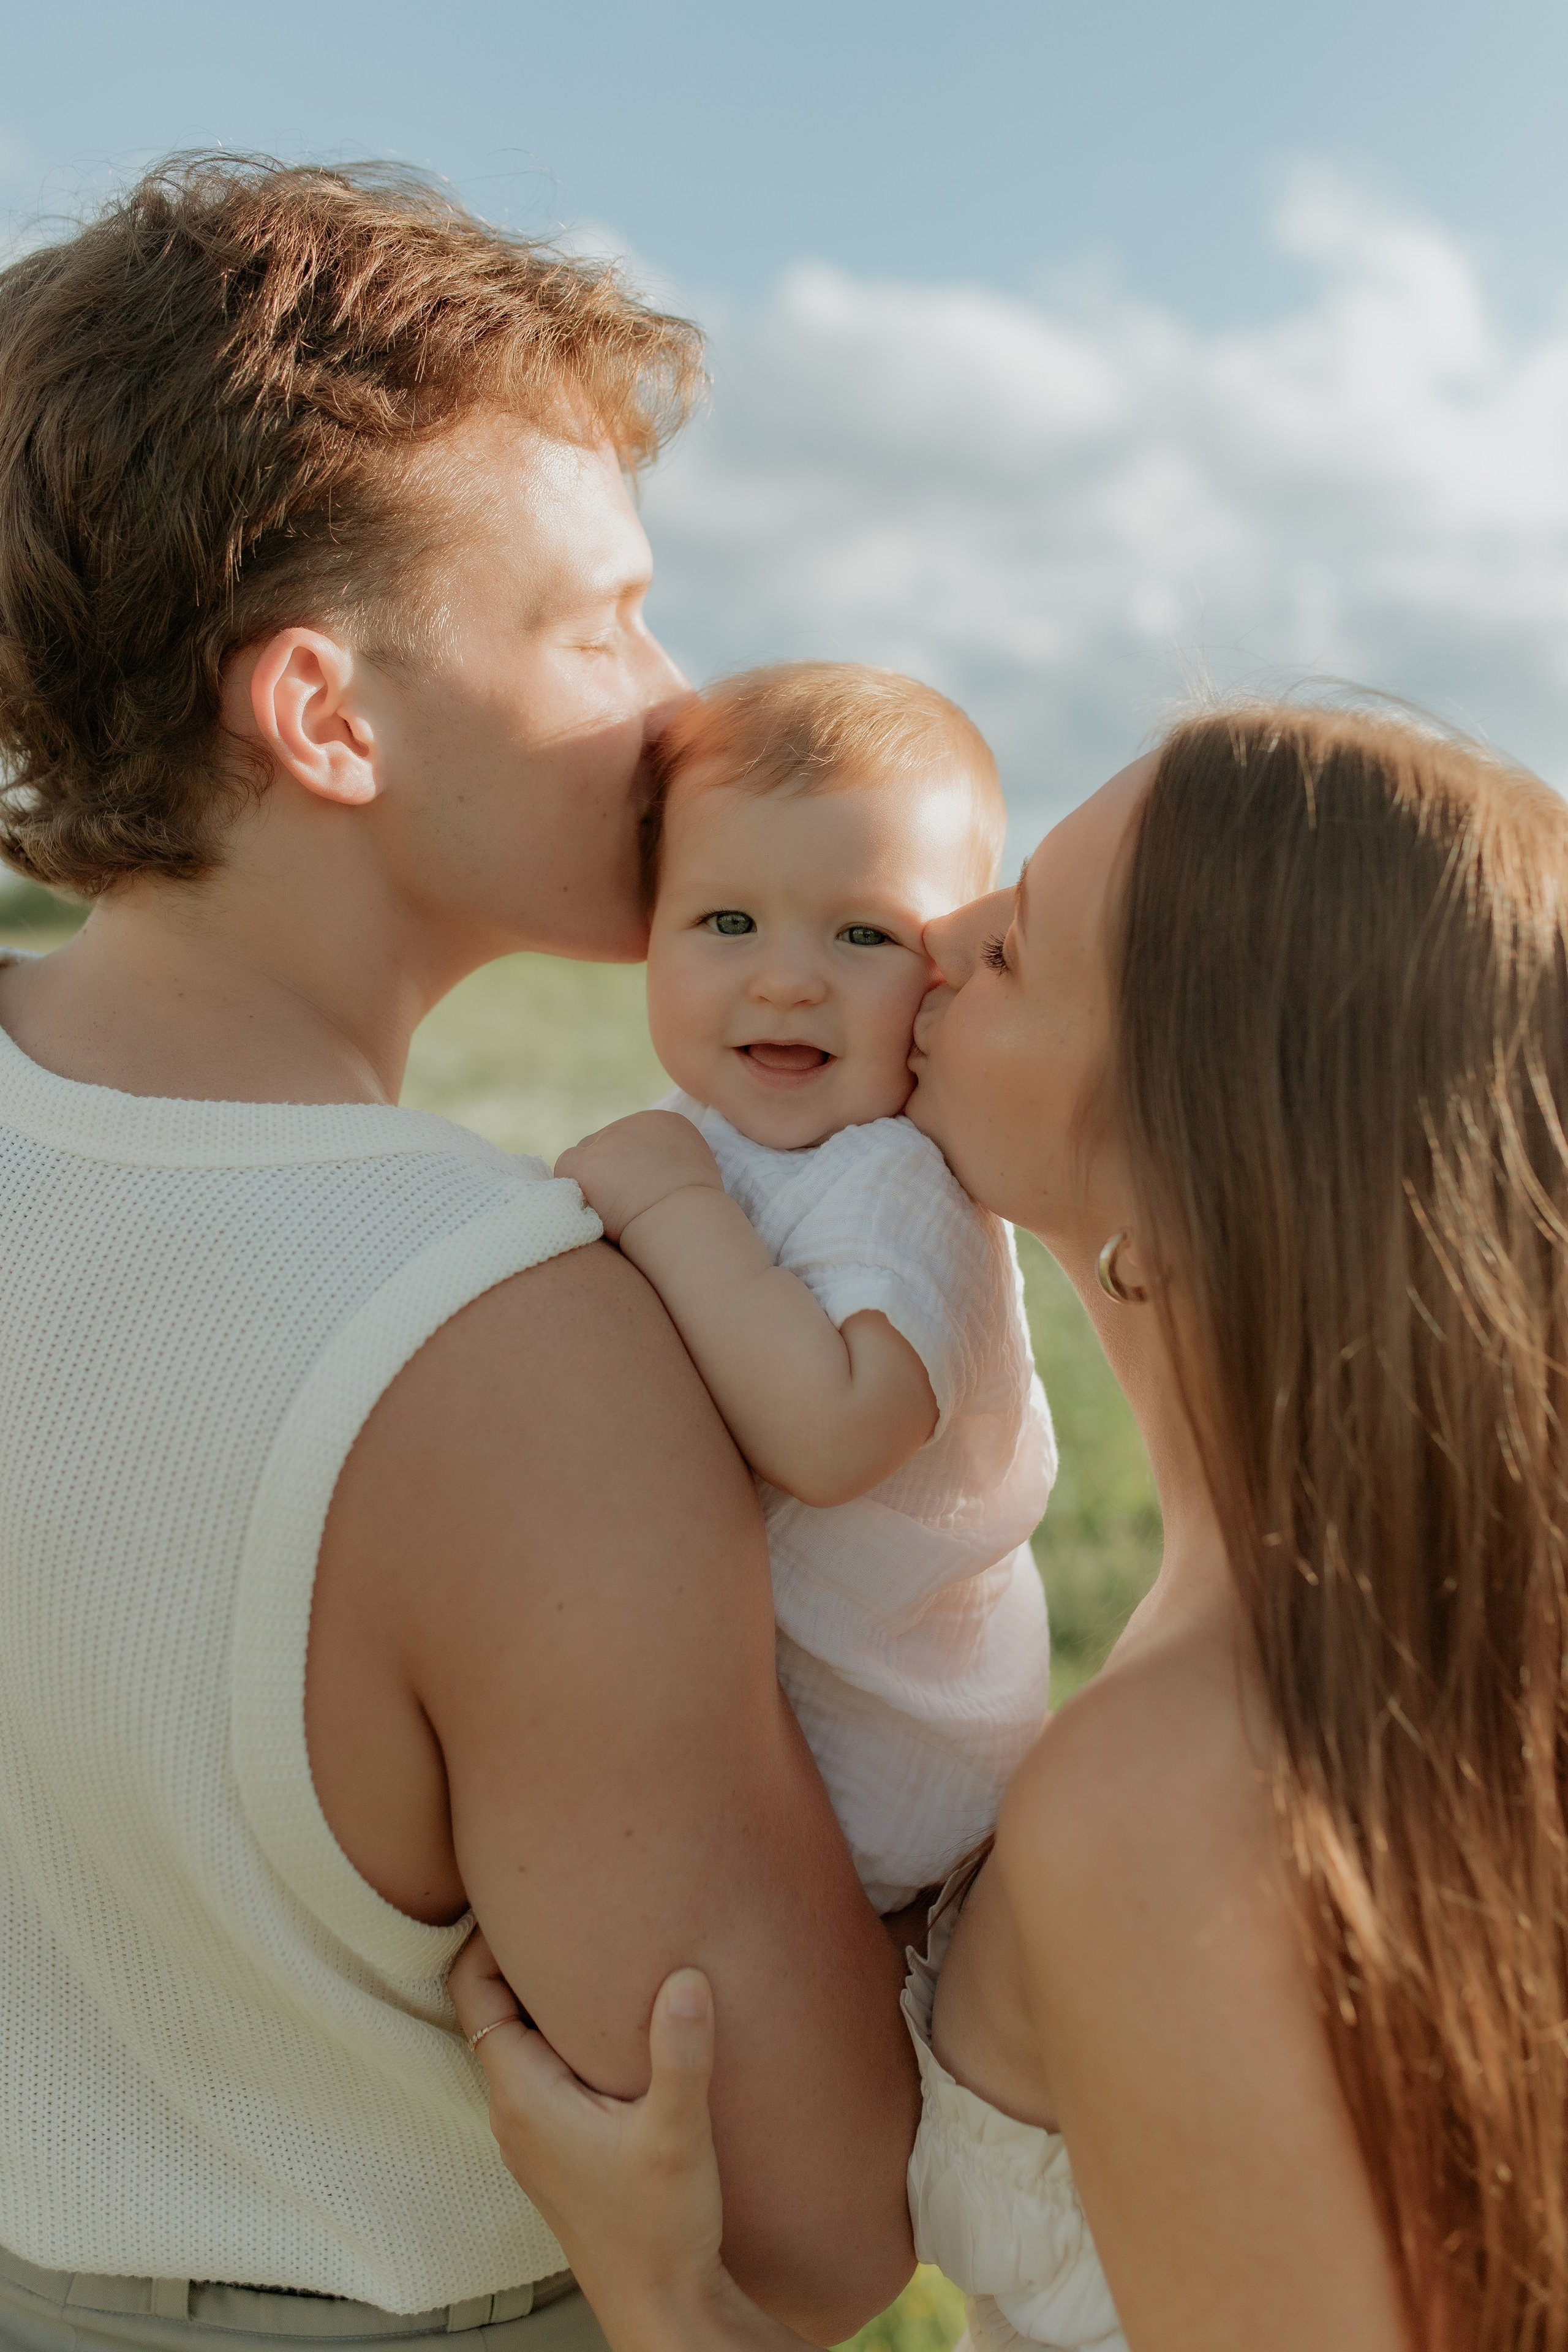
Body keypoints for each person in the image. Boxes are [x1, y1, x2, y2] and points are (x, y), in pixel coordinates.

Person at [0, 157, 919, 2352]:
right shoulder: (513, 1355)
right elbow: (818, 2223)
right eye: (601, 621)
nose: (679, 700)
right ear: (327, 717)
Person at [453, 700, 1568, 2352]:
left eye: (1019, 944)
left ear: (1195, 1147)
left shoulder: (1170, 1797)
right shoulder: (1358, 1654)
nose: (945, 935)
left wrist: (663, 2293)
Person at [559, 662, 1055, 1912]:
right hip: (750, 1734)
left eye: (862, 933)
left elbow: (834, 1433)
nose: (785, 979)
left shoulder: (894, 1179)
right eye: (726, 924)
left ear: (942, 969)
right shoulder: (711, 1130)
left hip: (880, 1782)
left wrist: (670, 1209)